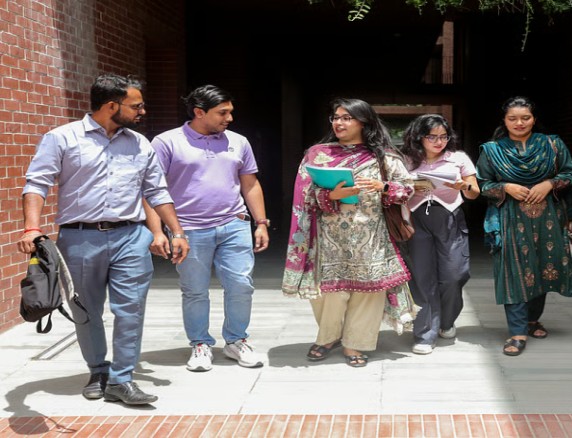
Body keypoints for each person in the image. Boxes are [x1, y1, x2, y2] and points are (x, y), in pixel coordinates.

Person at [17, 73, 190, 405]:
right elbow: (37, 183)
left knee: (131, 309)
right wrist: (31, 227)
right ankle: (98, 370)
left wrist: (176, 232)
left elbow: (157, 190)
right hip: (79, 238)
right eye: (136, 106)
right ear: (112, 105)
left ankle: (122, 379)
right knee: (86, 310)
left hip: (131, 236)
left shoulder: (139, 143)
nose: (142, 112)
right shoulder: (61, 138)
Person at [282, 98, 414, 367]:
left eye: (346, 118)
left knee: (368, 292)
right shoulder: (317, 155)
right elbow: (303, 194)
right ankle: (328, 337)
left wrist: (382, 187)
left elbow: (407, 189)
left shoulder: (384, 157)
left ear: (364, 122)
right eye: (335, 117)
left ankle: (355, 344)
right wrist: (331, 195)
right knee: (327, 294)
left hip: (372, 238)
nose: (338, 123)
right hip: (327, 240)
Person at [145, 85, 269, 371]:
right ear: (199, 112)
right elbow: (151, 190)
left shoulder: (238, 141)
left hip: (234, 223)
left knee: (241, 285)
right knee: (195, 290)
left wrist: (261, 222)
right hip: (188, 229)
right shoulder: (166, 142)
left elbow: (250, 184)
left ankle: (236, 340)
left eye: (230, 112)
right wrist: (158, 232)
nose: (230, 118)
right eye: (222, 113)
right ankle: (200, 344)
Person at [475, 96, 572, 357]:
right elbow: (482, 185)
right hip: (510, 219)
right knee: (514, 270)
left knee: (543, 267)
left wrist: (549, 184)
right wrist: (506, 187)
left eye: (525, 118)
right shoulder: (492, 150)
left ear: (534, 119)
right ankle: (517, 331)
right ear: (504, 121)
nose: (519, 123)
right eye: (512, 118)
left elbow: (570, 174)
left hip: (549, 218)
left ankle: (532, 320)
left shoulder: (552, 144)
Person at [399, 114, 480, 355]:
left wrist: (464, 186)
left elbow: (474, 192)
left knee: (455, 274)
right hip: (416, 218)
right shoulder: (406, 159)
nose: (439, 142)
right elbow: (394, 189)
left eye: (443, 136)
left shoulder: (458, 158)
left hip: (449, 217)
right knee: (422, 276)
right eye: (432, 137)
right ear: (419, 137)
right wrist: (410, 186)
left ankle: (446, 320)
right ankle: (425, 333)